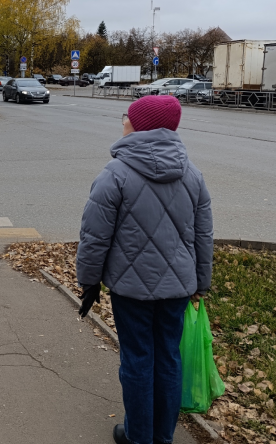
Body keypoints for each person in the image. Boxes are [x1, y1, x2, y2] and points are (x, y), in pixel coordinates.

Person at [75, 95, 213, 444]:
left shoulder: (115, 174)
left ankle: (138, 436)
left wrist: (89, 281)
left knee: (138, 361)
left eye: (128, 117)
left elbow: (94, 237)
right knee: (168, 357)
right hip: (178, 288)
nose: (123, 121)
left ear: (139, 125)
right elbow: (203, 235)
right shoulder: (193, 174)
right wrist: (202, 282)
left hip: (131, 290)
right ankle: (162, 437)